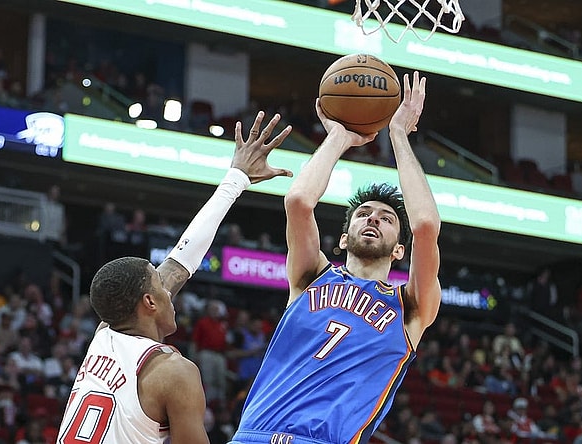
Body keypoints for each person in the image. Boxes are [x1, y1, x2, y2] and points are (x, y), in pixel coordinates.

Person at [230, 71, 443, 444]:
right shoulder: (310, 277)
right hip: (254, 435)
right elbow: (298, 202)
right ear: (343, 239)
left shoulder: (410, 307)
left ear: (399, 250)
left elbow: (425, 224)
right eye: (363, 214)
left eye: (387, 218)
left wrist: (397, 136)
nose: (373, 217)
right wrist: (338, 138)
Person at [55, 110, 292, 444]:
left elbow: (180, 262)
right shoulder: (174, 372)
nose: (170, 289)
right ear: (149, 302)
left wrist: (237, 178)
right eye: (159, 285)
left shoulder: (106, 334)